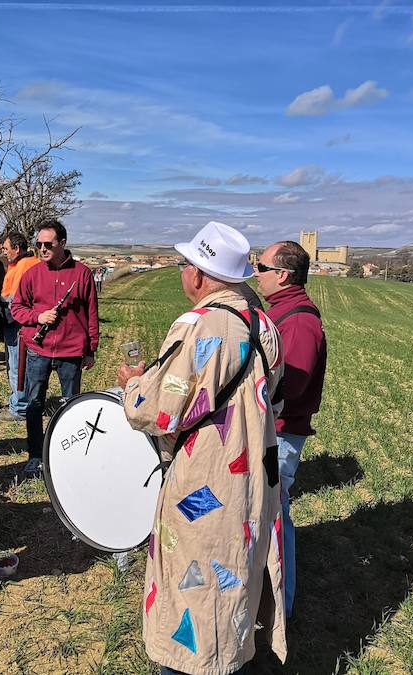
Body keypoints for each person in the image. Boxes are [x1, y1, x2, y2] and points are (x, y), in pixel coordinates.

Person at [116, 221, 287, 675]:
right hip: (252, 477)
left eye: (184, 264)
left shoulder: (203, 324)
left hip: (206, 481)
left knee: (193, 589)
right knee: (236, 576)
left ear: (198, 274)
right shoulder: (262, 322)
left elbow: (157, 411)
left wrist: (134, 386)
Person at [253, 240, 327, 618]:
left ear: (282, 274)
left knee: (275, 522)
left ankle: (282, 608)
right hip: (274, 431)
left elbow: (287, 390)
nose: (255, 272)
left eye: (261, 267)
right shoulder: (282, 313)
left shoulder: (297, 322)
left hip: (279, 435)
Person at [11, 220, 99, 478]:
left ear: (62, 243)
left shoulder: (82, 274)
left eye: (48, 244)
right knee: (34, 405)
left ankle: (69, 455)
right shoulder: (32, 274)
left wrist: (91, 348)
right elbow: (17, 308)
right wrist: (38, 317)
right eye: (38, 244)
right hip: (38, 350)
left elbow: (92, 313)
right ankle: (36, 455)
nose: (42, 249)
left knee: (70, 406)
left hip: (71, 352)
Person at [0, 232, 39, 422]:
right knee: (23, 364)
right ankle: (23, 400)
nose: (4, 252)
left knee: (17, 365)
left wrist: (1, 307)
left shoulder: (24, 266)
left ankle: (20, 407)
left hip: (17, 322)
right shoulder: (30, 263)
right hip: (23, 321)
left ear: (17, 248)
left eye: (6, 249)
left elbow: (16, 298)